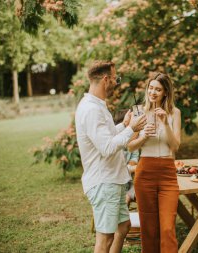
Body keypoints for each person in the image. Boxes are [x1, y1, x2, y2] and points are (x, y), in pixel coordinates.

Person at [75, 60, 147, 253]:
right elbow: (106, 148)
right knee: (105, 237)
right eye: (115, 78)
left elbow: (104, 137)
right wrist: (133, 128)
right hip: (103, 181)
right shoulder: (91, 109)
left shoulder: (97, 105)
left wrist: (123, 125)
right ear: (106, 79)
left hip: (112, 180)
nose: (117, 82)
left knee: (123, 228)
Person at [128, 72, 181, 253]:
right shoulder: (138, 111)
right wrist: (143, 137)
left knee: (167, 227)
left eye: (158, 89)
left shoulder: (175, 113)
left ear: (165, 92)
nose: (153, 92)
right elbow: (130, 147)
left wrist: (165, 123)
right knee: (148, 227)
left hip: (167, 173)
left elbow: (175, 146)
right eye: (151, 88)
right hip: (145, 173)